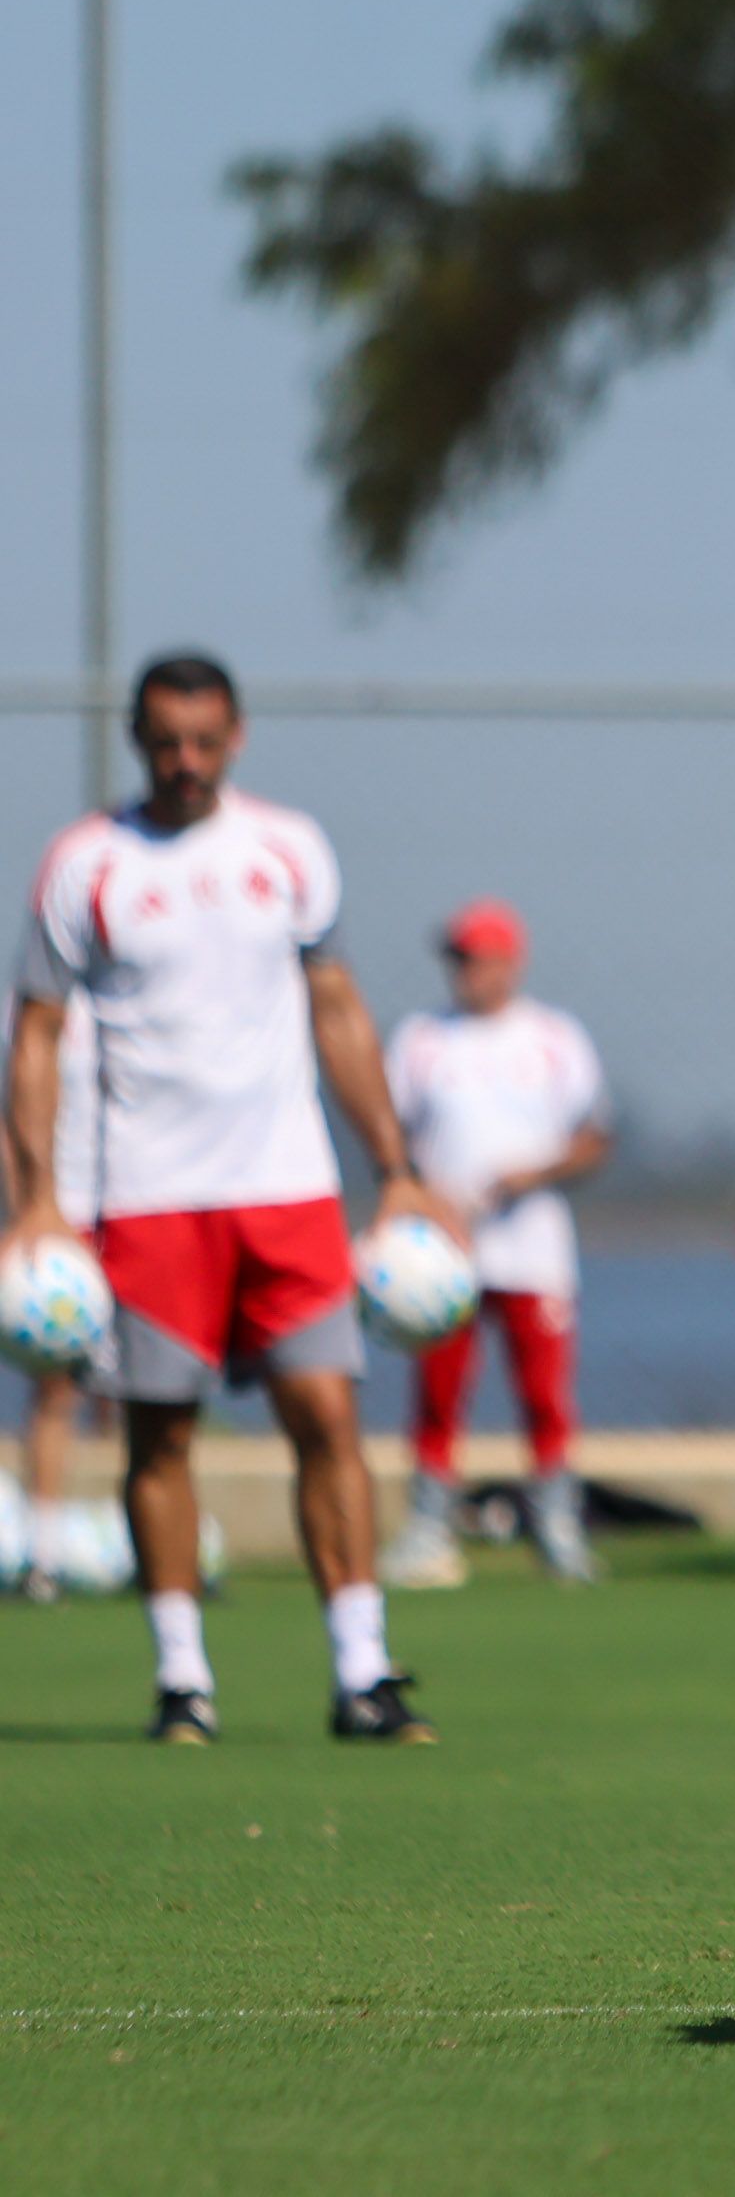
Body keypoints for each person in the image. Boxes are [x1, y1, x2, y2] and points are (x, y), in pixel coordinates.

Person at [6, 652, 451, 1745]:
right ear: (138, 739)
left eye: (205, 741)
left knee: (328, 1415)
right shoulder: (88, 863)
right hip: (148, 1199)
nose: (186, 762)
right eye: (166, 742)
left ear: (237, 735)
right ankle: (182, 1681)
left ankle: (362, 1670)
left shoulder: (288, 849)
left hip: (286, 1189)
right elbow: (38, 1035)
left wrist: (392, 1165)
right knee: (160, 1438)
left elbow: (337, 1006)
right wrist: (38, 1201)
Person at [379, 899, 613, 1589]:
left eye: (477, 959)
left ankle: (557, 1525)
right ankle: (427, 1527)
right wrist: (424, 1199)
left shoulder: (553, 1038)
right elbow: (390, 1138)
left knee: (543, 1393)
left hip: (534, 1249)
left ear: (511, 963)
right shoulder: (422, 1040)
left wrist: (530, 1177)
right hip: (441, 1253)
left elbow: (594, 1137)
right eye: (457, 959)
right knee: (439, 1392)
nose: (465, 973)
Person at [9, 995, 98, 1603]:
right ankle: (42, 1554)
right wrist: (28, 1211)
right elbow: (10, 1118)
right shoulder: (35, 1011)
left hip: (142, 1213)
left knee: (151, 1392)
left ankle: (140, 1539)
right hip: (61, 1223)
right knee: (55, 1389)